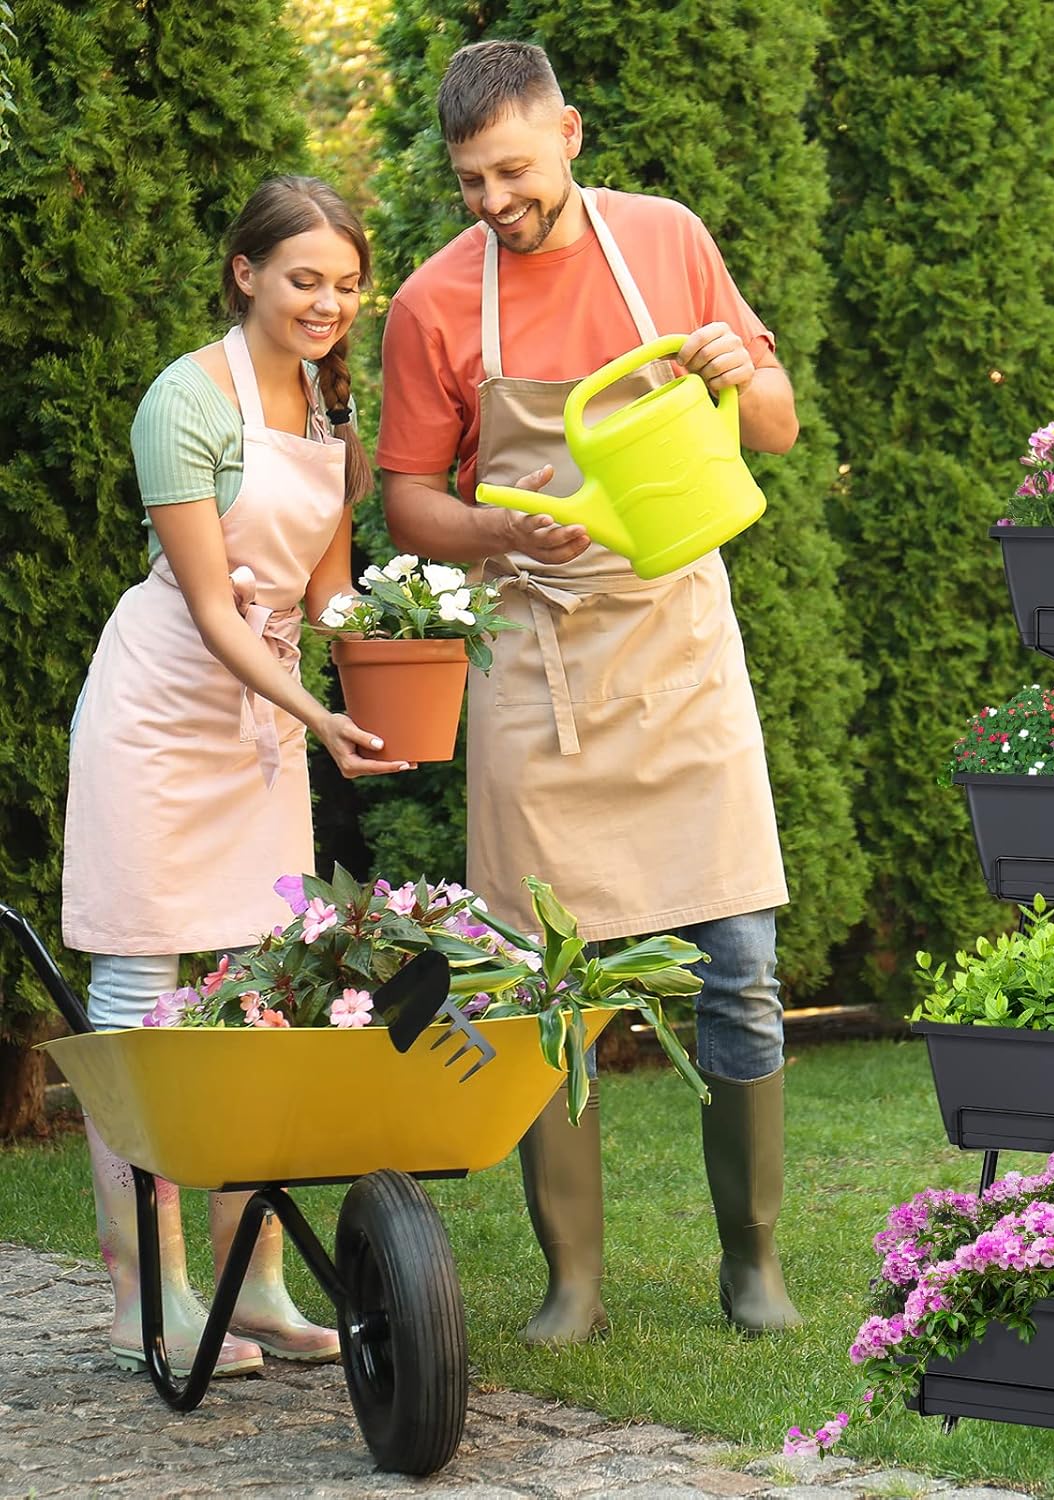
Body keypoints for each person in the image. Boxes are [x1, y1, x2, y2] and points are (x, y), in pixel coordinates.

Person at [377, 39, 802, 1341]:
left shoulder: (666, 240)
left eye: (512, 170)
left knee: (740, 968)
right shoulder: (433, 303)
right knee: (536, 982)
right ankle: (573, 1281)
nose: (494, 201)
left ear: (568, 132)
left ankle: (754, 1264)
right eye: (470, 181)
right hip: (537, 662)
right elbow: (407, 502)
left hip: (678, 651)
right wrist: (494, 532)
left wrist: (736, 373)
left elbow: (777, 425)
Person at [61, 175, 408, 1377]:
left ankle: (254, 1283)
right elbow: (215, 610)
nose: (328, 303)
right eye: (305, 279)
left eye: (347, 285)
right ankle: (143, 1292)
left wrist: (410, 658)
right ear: (245, 273)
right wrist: (320, 716)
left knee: (262, 996)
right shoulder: (184, 401)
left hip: (260, 724)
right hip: (162, 716)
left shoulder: (327, 407)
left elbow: (330, 595)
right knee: (141, 997)